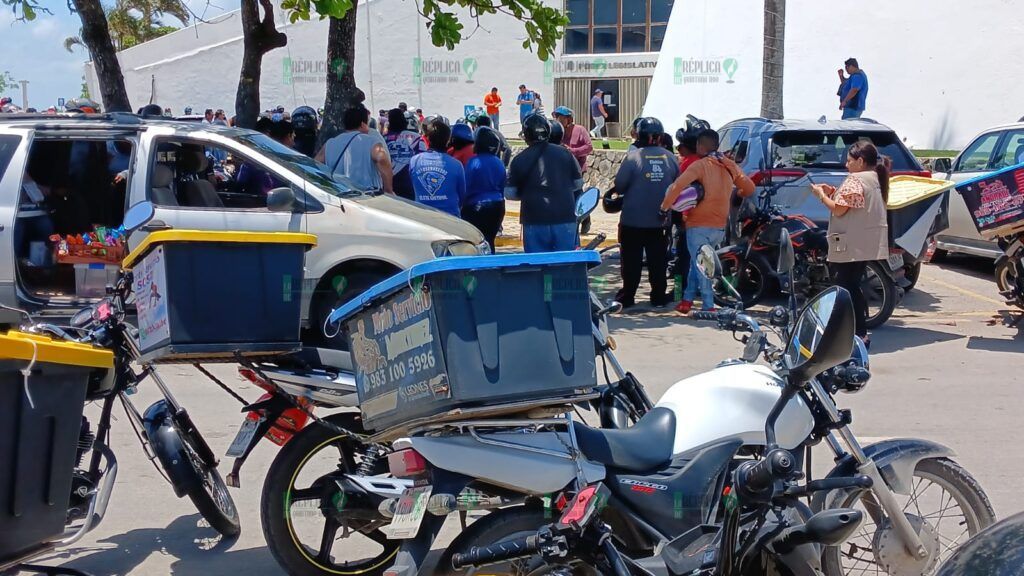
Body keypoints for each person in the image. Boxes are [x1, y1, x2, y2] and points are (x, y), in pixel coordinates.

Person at [661, 129, 756, 314]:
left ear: (700, 146)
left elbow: (677, 186)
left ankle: (708, 305)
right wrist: (737, 194)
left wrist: (664, 207)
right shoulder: (729, 165)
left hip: (698, 225)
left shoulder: (700, 165)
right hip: (720, 226)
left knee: (702, 266)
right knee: (700, 262)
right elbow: (749, 187)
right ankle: (687, 300)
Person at [810, 140, 889, 343]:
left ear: (860, 161)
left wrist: (820, 195)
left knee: (846, 287)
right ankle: (857, 331)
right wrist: (833, 192)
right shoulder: (874, 178)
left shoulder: (855, 179)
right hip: (864, 243)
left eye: (849, 161)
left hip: (849, 244)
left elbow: (839, 209)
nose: (846, 165)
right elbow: (851, 203)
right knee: (852, 286)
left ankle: (857, 332)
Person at [614, 118, 680, 309]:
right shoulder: (670, 158)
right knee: (658, 262)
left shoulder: (633, 157)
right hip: (660, 221)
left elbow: (619, 185)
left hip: (632, 221)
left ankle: (628, 297)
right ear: (660, 136)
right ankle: (658, 297)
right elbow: (678, 184)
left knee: (631, 262)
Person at [505, 113, 583, 253]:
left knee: (538, 266)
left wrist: (528, 192)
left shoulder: (519, 160)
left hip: (534, 219)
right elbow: (578, 183)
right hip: (565, 217)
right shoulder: (565, 154)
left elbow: (510, 194)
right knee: (565, 264)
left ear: (526, 134)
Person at [317, 106, 394, 194]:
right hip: (367, 196)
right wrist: (388, 189)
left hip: (339, 196)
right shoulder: (372, 141)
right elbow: (382, 159)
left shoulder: (330, 143)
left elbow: (315, 164)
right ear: (362, 124)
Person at [409, 116, 466, 217]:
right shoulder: (456, 165)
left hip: (423, 218)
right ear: (448, 140)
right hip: (450, 218)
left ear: (427, 138)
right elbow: (462, 196)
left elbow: (412, 188)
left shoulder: (414, 161)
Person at [464, 127, 507, 253]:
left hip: (476, 207)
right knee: (490, 240)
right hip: (497, 206)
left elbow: (466, 186)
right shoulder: (499, 163)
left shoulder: (473, 162)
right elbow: (502, 185)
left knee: (477, 242)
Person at [384, 108, 428, 200]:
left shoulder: (382, 139)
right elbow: (424, 160)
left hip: (389, 185)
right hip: (411, 184)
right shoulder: (416, 138)